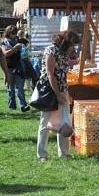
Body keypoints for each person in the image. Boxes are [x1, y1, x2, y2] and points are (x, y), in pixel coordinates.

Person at [37, 30, 79, 161]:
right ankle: (42, 154)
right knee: (44, 123)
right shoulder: (51, 50)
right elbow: (50, 74)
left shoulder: (64, 53)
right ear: (66, 41)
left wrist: (65, 93)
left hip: (62, 89)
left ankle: (64, 152)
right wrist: (58, 94)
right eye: (72, 44)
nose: (73, 47)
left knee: (65, 122)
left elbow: (63, 74)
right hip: (49, 91)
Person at [0, 26, 29, 111]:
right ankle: (12, 105)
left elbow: (27, 44)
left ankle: (23, 105)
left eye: (15, 32)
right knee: (10, 87)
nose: (14, 34)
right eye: (12, 33)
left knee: (20, 87)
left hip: (19, 66)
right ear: (8, 32)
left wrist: (25, 48)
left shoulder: (18, 40)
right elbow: (5, 54)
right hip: (8, 66)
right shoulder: (3, 41)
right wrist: (15, 49)